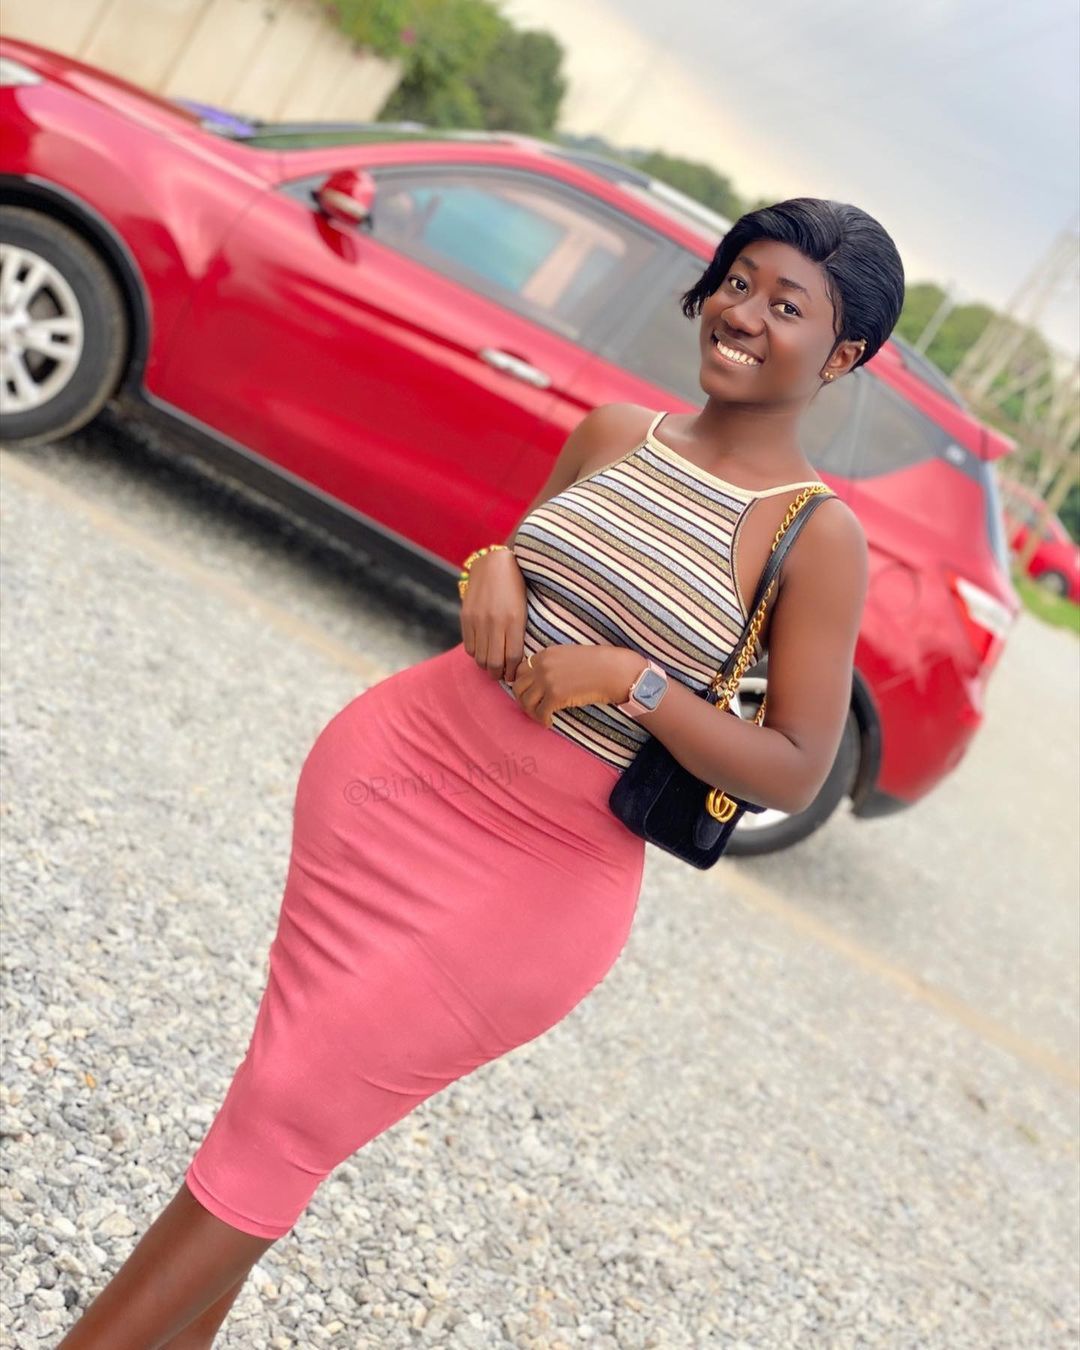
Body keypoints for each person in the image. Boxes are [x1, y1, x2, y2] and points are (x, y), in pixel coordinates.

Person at [58, 196, 904, 1348]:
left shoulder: (815, 536)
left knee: (285, 1112)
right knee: (275, 1117)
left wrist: (638, 685)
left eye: (787, 306)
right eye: (737, 281)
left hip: (535, 883)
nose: (743, 314)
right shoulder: (615, 433)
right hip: (394, 778)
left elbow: (798, 768)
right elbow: (522, 565)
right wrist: (488, 567)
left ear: (843, 356)